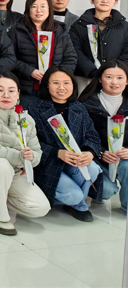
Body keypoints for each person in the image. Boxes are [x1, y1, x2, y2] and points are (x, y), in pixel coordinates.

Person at [0, 71, 50, 235]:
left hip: (14, 172)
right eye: (0, 90)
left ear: (18, 93)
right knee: (1, 165)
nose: (6, 95)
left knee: (40, 207)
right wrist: (20, 159)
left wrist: (31, 158)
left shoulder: (25, 118)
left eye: (11, 90)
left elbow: (36, 151)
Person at [29, 66, 102, 221]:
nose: (61, 88)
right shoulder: (34, 108)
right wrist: (57, 153)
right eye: (56, 83)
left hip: (73, 162)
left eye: (66, 83)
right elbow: (29, 142)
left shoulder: (79, 107)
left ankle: (75, 203)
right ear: (47, 85)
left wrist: (89, 153)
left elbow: (92, 136)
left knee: (93, 168)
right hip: (48, 164)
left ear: (73, 85)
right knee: (74, 195)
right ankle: (78, 202)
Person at [10, 0, 77, 104]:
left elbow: (70, 58)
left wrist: (57, 76)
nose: (39, 10)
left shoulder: (60, 30)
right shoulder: (17, 30)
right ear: (28, 9)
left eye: (43, 6)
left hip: (55, 89)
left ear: (49, 8)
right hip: (27, 88)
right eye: (34, 7)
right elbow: (10, 58)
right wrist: (30, 71)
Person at [79, 61, 128, 210]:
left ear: (127, 81)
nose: (114, 82)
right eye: (109, 77)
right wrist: (100, 152)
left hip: (123, 157)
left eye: (120, 78)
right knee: (106, 191)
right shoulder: (86, 104)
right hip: (98, 159)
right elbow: (80, 135)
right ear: (100, 79)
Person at [70, 0, 128, 82]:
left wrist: (115, 71)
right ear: (92, 0)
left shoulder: (125, 26)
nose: (104, 0)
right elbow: (75, 51)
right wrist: (93, 72)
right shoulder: (79, 25)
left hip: (115, 78)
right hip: (86, 77)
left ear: (115, 2)